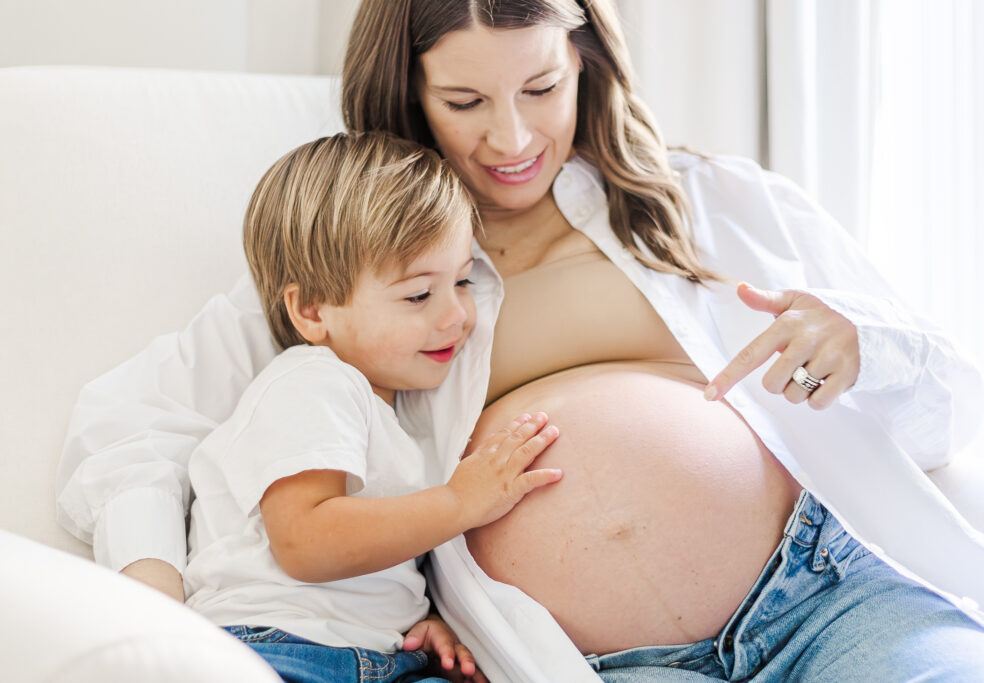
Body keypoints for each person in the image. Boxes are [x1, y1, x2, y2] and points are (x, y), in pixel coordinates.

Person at [57, 0, 984, 680]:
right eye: (464, 100)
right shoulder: (355, 273)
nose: (511, 137)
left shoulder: (714, 201)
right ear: (411, 92)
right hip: (589, 660)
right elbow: (131, 425)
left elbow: (948, 420)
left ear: (584, 60)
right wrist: (158, 615)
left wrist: (867, 347)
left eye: (541, 86)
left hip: (829, 594)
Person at [183, 131, 561, 683]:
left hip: (374, 656)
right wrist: (460, 501)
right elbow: (306, 544)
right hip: (278, 648)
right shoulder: (313, 381)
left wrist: (413, 617)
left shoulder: (393, 412)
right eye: (417, 295)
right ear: (313, 310)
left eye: (462, 281)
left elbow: (368, 559)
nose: (456, 315)